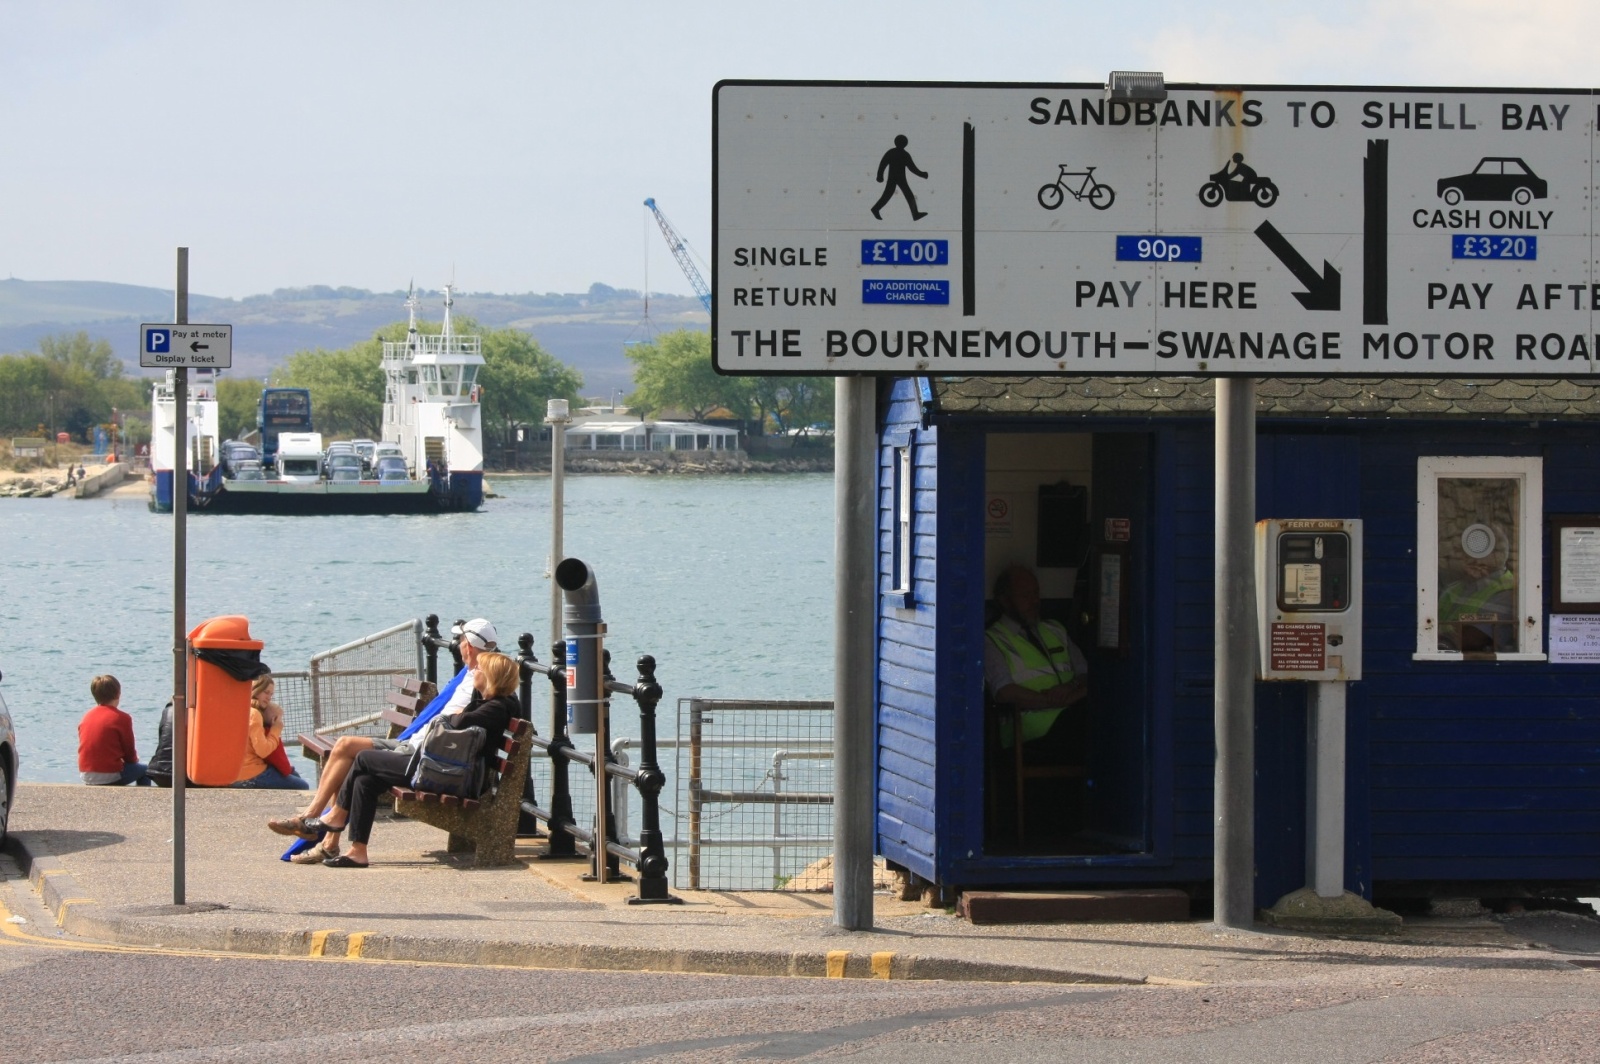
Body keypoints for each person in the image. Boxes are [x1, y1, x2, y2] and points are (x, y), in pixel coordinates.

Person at [267, 617, 498, 862]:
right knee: (346, 747)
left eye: (461, 639)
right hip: (415, 744)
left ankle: (320, 827)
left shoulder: (481, 680)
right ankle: (328, 834)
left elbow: (469, 720)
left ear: (468, 646)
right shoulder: (469, 674)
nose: (458, 644)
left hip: (426, 757)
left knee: (359, 762)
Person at [305, 651, 520, 868]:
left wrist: (454, 714)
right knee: (365, 781)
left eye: (479, 669)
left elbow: (458, 721)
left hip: (449, 776)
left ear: (491, 676)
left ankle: (338, 815)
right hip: (441, 769)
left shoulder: (496, 707)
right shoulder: (487, 702)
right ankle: (357, 851)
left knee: (363, 758)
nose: (474, 672)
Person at [984, 565, 1089, 760]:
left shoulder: (1055, 629)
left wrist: (1071, 688)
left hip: (1072, 719)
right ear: (1005, 600)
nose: (1034, 601)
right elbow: (1004, 691)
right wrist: (1055, 701)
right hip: (1032, 733)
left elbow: (1087, 674)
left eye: (1036, 593)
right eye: (1025, 595)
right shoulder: (992, 640)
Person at [1438, 523, 1516, 653]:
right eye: (1465, 550)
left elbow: (1472, 640)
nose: (1469, 557)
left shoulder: (1508, 592)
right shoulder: (1453, 589)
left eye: (1480, 551)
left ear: (1499, 556)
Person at [232, 674, 310, 790]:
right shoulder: (254, 714)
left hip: (234, 772)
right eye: (266, 692)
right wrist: (276, 729)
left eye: (271, 694)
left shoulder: (237, 707)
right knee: (303, 786)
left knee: (293, 775)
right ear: (255, 690)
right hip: (251, 774)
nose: (269, 697)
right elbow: (263, 751)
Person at [78, 674, 152, 786]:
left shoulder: (86, 717)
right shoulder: (122, 718)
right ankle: (143, 801)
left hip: (86, 774)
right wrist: (133, 761)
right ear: (118, 694)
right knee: (146, 770)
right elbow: (130, 754)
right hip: (108, 774)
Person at [870, 134, 929, 221]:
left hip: (897, 178)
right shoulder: (903, 154)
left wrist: (880, 175)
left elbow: (883, 164)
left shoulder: (893, 152)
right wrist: (922, 174)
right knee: (900, 194)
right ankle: (876, 209)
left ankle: (915, 214)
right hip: (897, 178)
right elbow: (912, 168)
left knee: (892, 194)